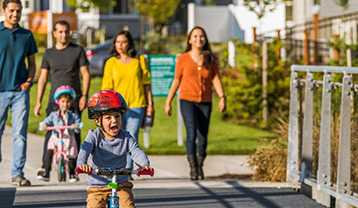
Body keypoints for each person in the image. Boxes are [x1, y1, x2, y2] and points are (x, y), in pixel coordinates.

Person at [76, 90, 151, 208]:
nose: (114, 121)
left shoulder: (126, 137)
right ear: (98, 120)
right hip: (98, 185)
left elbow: (136, 152)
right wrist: (82, 164)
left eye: (117, 116)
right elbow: (84, 150)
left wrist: (144, 164)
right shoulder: (93, 136)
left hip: (121, 183)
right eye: (108, 118)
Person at [0, 0, 37, 186]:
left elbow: (32, 64)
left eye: (18, 11)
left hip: (20, 93)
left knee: (20, 133)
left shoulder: (27, 36)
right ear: (3, 11)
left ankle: (17, 174)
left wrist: (28, 81)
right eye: (11, 10)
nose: (15, 14)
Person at [164, 26, 226, 181]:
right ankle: (193, 168)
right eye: (195, 36)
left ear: (205, 39)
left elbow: (215, 78)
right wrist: (168, 101)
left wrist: (222, 97)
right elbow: (177, 80)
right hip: (187, 99)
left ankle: (200, 164)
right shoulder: (183, 58)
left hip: (205, 100)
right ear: (190, 40)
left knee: (203, 136)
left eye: (202, 36)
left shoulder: (210, 58)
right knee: (191, 132)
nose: (199, 39)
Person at [34, 20, 90, 179]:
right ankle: (45, 169)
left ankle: (74, 170)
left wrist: (84, 95)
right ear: (54, 33)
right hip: (55, 101)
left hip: (74, 99)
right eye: (60, 31)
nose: (63, 35)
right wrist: (39, 101)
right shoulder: (49, 53)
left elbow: (85, 74)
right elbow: (43, 78)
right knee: (50, 133)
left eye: (66, 31)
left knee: (74, 133)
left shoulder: (77, 51)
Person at [101, 30, 154, 169]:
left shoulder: (140, 60)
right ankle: (118, 167)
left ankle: (127, 170)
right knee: (117, 138)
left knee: (131, 137)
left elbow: (146, 84)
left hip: (137, 104)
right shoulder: (111, 63)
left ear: (129, 43)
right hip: (116, 108)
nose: (120, 45)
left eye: (124, 42)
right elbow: (106, 89)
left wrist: (150, 105)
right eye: (118, 42)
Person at [38, 85, 82, 183]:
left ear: (71, 103)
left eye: (67, 102)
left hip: (68, 137)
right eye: (63, 101)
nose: (65, 104)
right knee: (50, 150)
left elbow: (78, 125)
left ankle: (72, 173)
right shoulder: (54, 115)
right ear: (58, 102)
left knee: (71, 153)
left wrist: (76, 126)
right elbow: (46, 121)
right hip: (56, 137)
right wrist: (44, 125)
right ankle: (46, 172)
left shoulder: (73, 115)